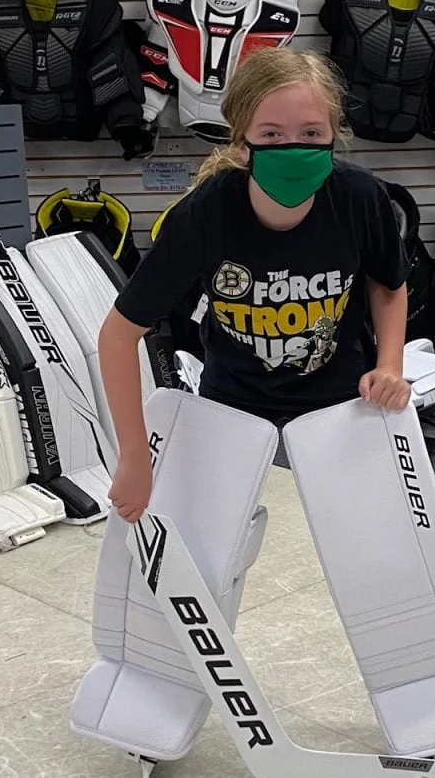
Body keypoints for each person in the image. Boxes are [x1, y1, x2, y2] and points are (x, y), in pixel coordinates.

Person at [97, 47, 412, 525]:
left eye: (311, 133)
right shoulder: (205, 214)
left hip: (343, 392)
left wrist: (390, 365)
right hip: (234, 394)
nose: (293, 149)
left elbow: (388, 285)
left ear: (334, 134)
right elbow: (118, 336)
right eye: (271, 135)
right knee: (206, 531)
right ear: (242, 141)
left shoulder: (360, 197)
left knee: (364, 530)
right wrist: (135, 457)